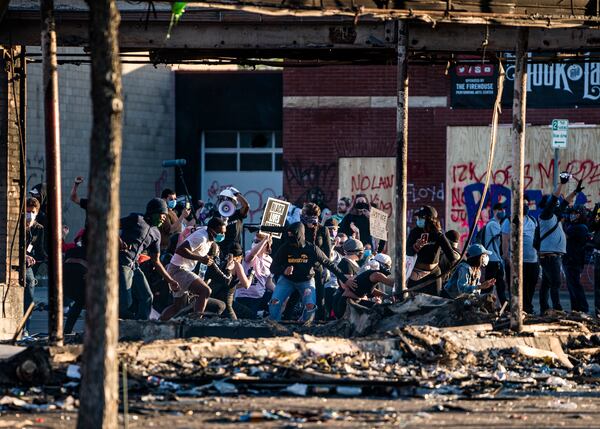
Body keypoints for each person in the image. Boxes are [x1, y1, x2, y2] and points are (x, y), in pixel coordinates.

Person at [269, 222, 355, 323]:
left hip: (306, 281)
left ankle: (306, 325)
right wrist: (283, 270)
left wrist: (345, 280)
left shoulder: (312, 248)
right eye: (289, 235)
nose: (290, 238)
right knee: (275, 301)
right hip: (287, 280)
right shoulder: (285, 247)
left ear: (300, 235)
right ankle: (275, 324)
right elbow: (273, 267)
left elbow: (329, 263)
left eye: (293, 235)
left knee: (310, 305)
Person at [118, 198, 179, 320]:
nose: (164, 219)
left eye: (165, 216)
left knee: (147, 297)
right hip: (121, 261)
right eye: (162, 215)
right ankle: (112, 326)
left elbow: (156, 260)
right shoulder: (136, 219)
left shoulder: (156, 234)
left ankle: (140, 326)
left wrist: (170, 280)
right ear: (153, 212)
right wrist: (118, 241)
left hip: (134, 266)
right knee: (126, 302)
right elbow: (111, 225)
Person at [160, 217, 227, 320]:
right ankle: (196, 321)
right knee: (205, 291)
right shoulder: (201, 237)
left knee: (178, 306)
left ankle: (159, 323)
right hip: (178, 269)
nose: (222, 236)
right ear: (212, 230)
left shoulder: (207, 232)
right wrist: (200, 258)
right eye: (220, 232)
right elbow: (180, 250)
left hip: (179, 269)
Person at [538, 172, 581, 313]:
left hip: (552, 256)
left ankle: (544, 308)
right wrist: (562, 184)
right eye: (554, 203)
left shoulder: (555, 215)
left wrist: (575, 192)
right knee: (556, 283)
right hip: (550, 256)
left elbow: (564, 202)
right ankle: (557, 308)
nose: (558, 204)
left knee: (546, 284)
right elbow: (554, 199)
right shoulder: (545, 215)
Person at [501, 197, 540, 314]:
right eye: (523, 204)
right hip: (515, 261)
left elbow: (537, 239)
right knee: (516, 288)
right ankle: (516, 310)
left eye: (527, 204)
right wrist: (506, 256)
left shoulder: (533, 220)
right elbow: (505, 239)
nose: (526, 206)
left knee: (530, 286)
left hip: (532, 261)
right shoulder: (509, 220)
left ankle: (528, 309)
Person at [406, 205, 457, 296]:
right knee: (413, 302)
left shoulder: (438, 235)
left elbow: (451, 256)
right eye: (418, 217)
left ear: (430, 219)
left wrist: (451, 271)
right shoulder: (414, 233)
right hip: (416, 273)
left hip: (434, 274)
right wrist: (416, 246)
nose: (418, 219)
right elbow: (408, 252)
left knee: (435, 302)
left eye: (421, 217)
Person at [333, 253, 394, 318]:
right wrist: (403, 282)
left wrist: (386, 295)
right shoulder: (377, 275)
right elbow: (392, 283)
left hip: (349, 302)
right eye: (388, 266)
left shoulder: (370, 272)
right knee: (384, 310)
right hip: (348, 304)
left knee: (380, 309)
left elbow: (371, 290)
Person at [301, 203, 332, 320]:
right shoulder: (300, 227)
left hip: (317, 267)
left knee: (320, 296)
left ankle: (320, 320)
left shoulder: (323, 230)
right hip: (301, 265)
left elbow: (327, 252)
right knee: (298, 295)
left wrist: (327, 269)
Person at [236, 233, 274, 318]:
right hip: (244, 296)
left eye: (257, 241)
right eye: (253, 241)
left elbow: (268, 282)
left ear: (267, 245)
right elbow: (252, 255)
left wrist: (278, 292)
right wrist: (264, 240)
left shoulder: (269, 260)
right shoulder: (248, 253)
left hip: (258, 297)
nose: (254, 243)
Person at [24, 197, 46, 334]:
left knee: (29, 298)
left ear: (36, 213)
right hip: (16, 262)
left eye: (32, 212)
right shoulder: (17, 226)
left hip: (28, 265)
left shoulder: (39, 229)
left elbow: (39, 250)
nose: (29, 215)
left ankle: (26, 329)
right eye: (27, 212)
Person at [563, 205, 590, 313]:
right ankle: (575, 309)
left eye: (576, 213)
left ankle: (583, 308)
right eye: (572, 213)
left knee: (575, 285)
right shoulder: (573, 226)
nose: (572, 215)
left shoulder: (581, 227)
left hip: (574, 260)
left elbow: (565, 236)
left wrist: (560, 224)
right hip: (570, 260)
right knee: (571, 286)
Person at [480, 202, 508, 304]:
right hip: (493, 260)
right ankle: (482, 303)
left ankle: (503, 304)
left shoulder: (495, 224)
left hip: (495, 259)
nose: (503, 211)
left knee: (499, 285)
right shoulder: (493, 224)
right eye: (500, 210)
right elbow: (504, 237)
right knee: (490, 285)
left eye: (503, 209)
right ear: (495, 211)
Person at [211, 187, 250, 255]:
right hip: (221, 251)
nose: (225, 201)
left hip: (235, 251)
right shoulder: (216, 215)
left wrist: (237, 194)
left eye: (228, 199)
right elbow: (214, 236)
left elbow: (246, 206)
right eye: (222, 199)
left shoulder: (238, 214)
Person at [159, 188, 191, 253]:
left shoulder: (172, 212)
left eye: (175, 199)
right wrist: (182, 216)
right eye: (171, 199)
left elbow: (188, 225)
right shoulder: (163, 213)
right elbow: (170, 230)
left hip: (175, 248)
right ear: (164, 199)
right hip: (165, 250)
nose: (174, 201)